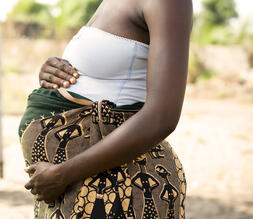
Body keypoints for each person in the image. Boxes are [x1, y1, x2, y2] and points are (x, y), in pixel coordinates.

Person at [19, 0, 193, 218]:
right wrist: (52, 73)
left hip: (117, 186)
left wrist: (63, 174)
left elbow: (162, 117)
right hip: (80, 185)